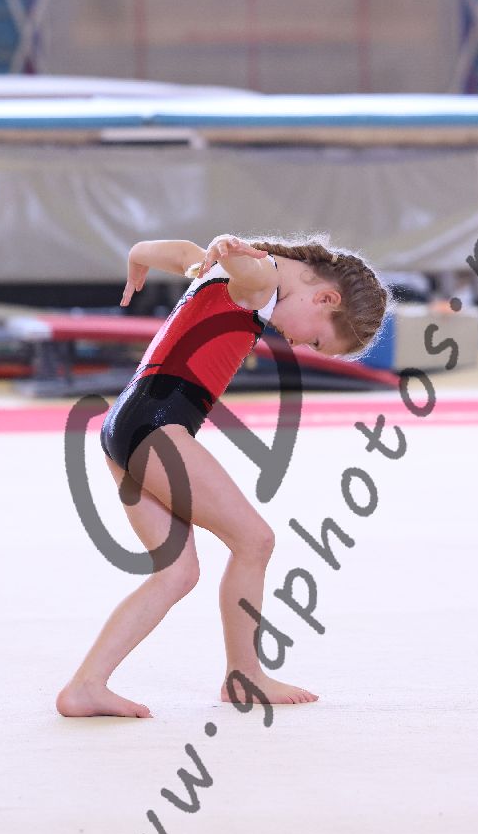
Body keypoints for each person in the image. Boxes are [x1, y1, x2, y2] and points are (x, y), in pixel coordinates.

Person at [57, 234, 389, 718]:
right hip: (156, 424)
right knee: (254, 541)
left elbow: (181, 253)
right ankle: (243, 676)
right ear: (326, 298)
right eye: (316, 340)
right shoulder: (261, 279)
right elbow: (249, 267)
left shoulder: (220, 273)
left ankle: (86, 686)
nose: (298, 344)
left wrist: (138, 256)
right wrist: (230, 249)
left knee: (177, 573)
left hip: (126, 424)